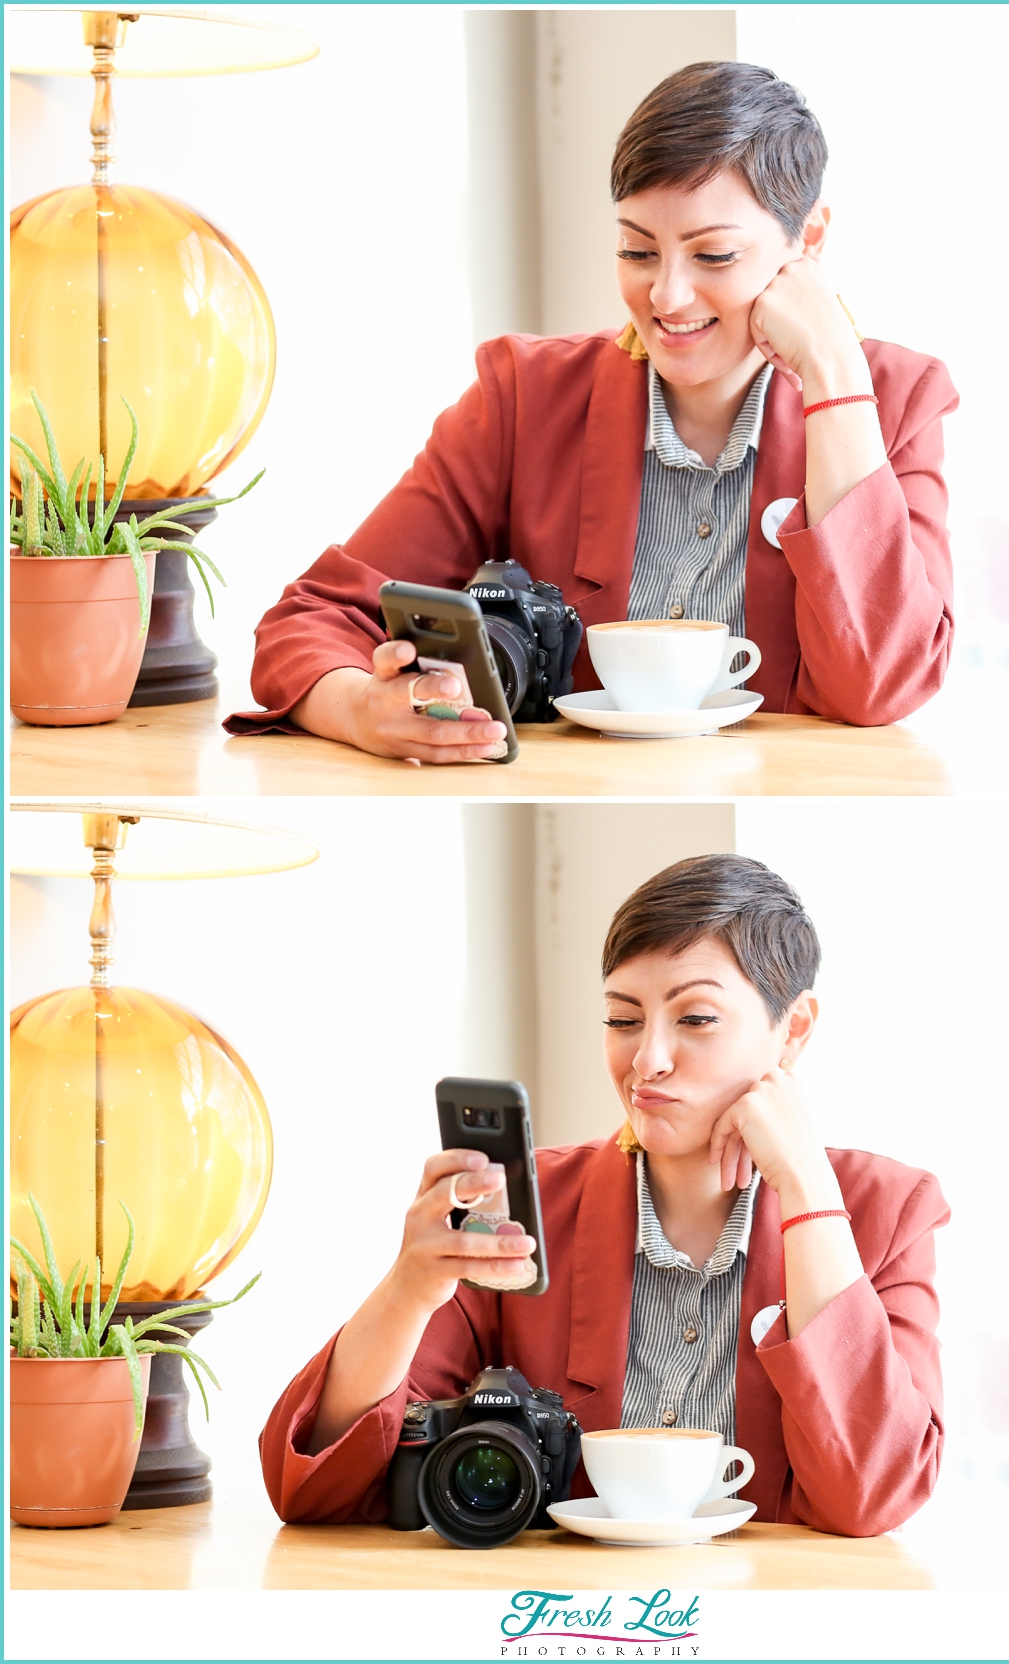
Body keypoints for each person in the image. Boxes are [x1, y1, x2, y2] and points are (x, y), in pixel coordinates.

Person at [228, 62, 958, 760]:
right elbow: (311, 621)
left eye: (714, 257)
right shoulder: (526, 397)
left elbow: (881, 684)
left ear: (809, 241)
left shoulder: (893, 401)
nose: (667, 298)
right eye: (638, 252)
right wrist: (363, 709)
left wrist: (834, 373)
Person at [260, 855, 950, 1536]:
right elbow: (315, 1487)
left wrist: (806, 1189)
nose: (646, 1060)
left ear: (793, 1028)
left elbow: (876, 1493)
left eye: (697, 1018)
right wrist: (408, 1288)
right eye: (623, 1020)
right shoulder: (524, 1208)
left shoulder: (889, 1210)